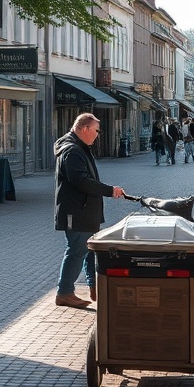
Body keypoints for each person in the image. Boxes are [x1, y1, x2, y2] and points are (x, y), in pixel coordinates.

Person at [54, 113, 125, 308]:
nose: (97, 135)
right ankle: (64, 292)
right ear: (84, 128)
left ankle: (92, 284)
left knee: (89, 249)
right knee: (77, 250)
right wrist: (109, 190)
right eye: (96, 130)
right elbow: (81, 181)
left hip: (84, 212)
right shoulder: (72, 150)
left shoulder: (79, 148)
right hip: (76, 212)